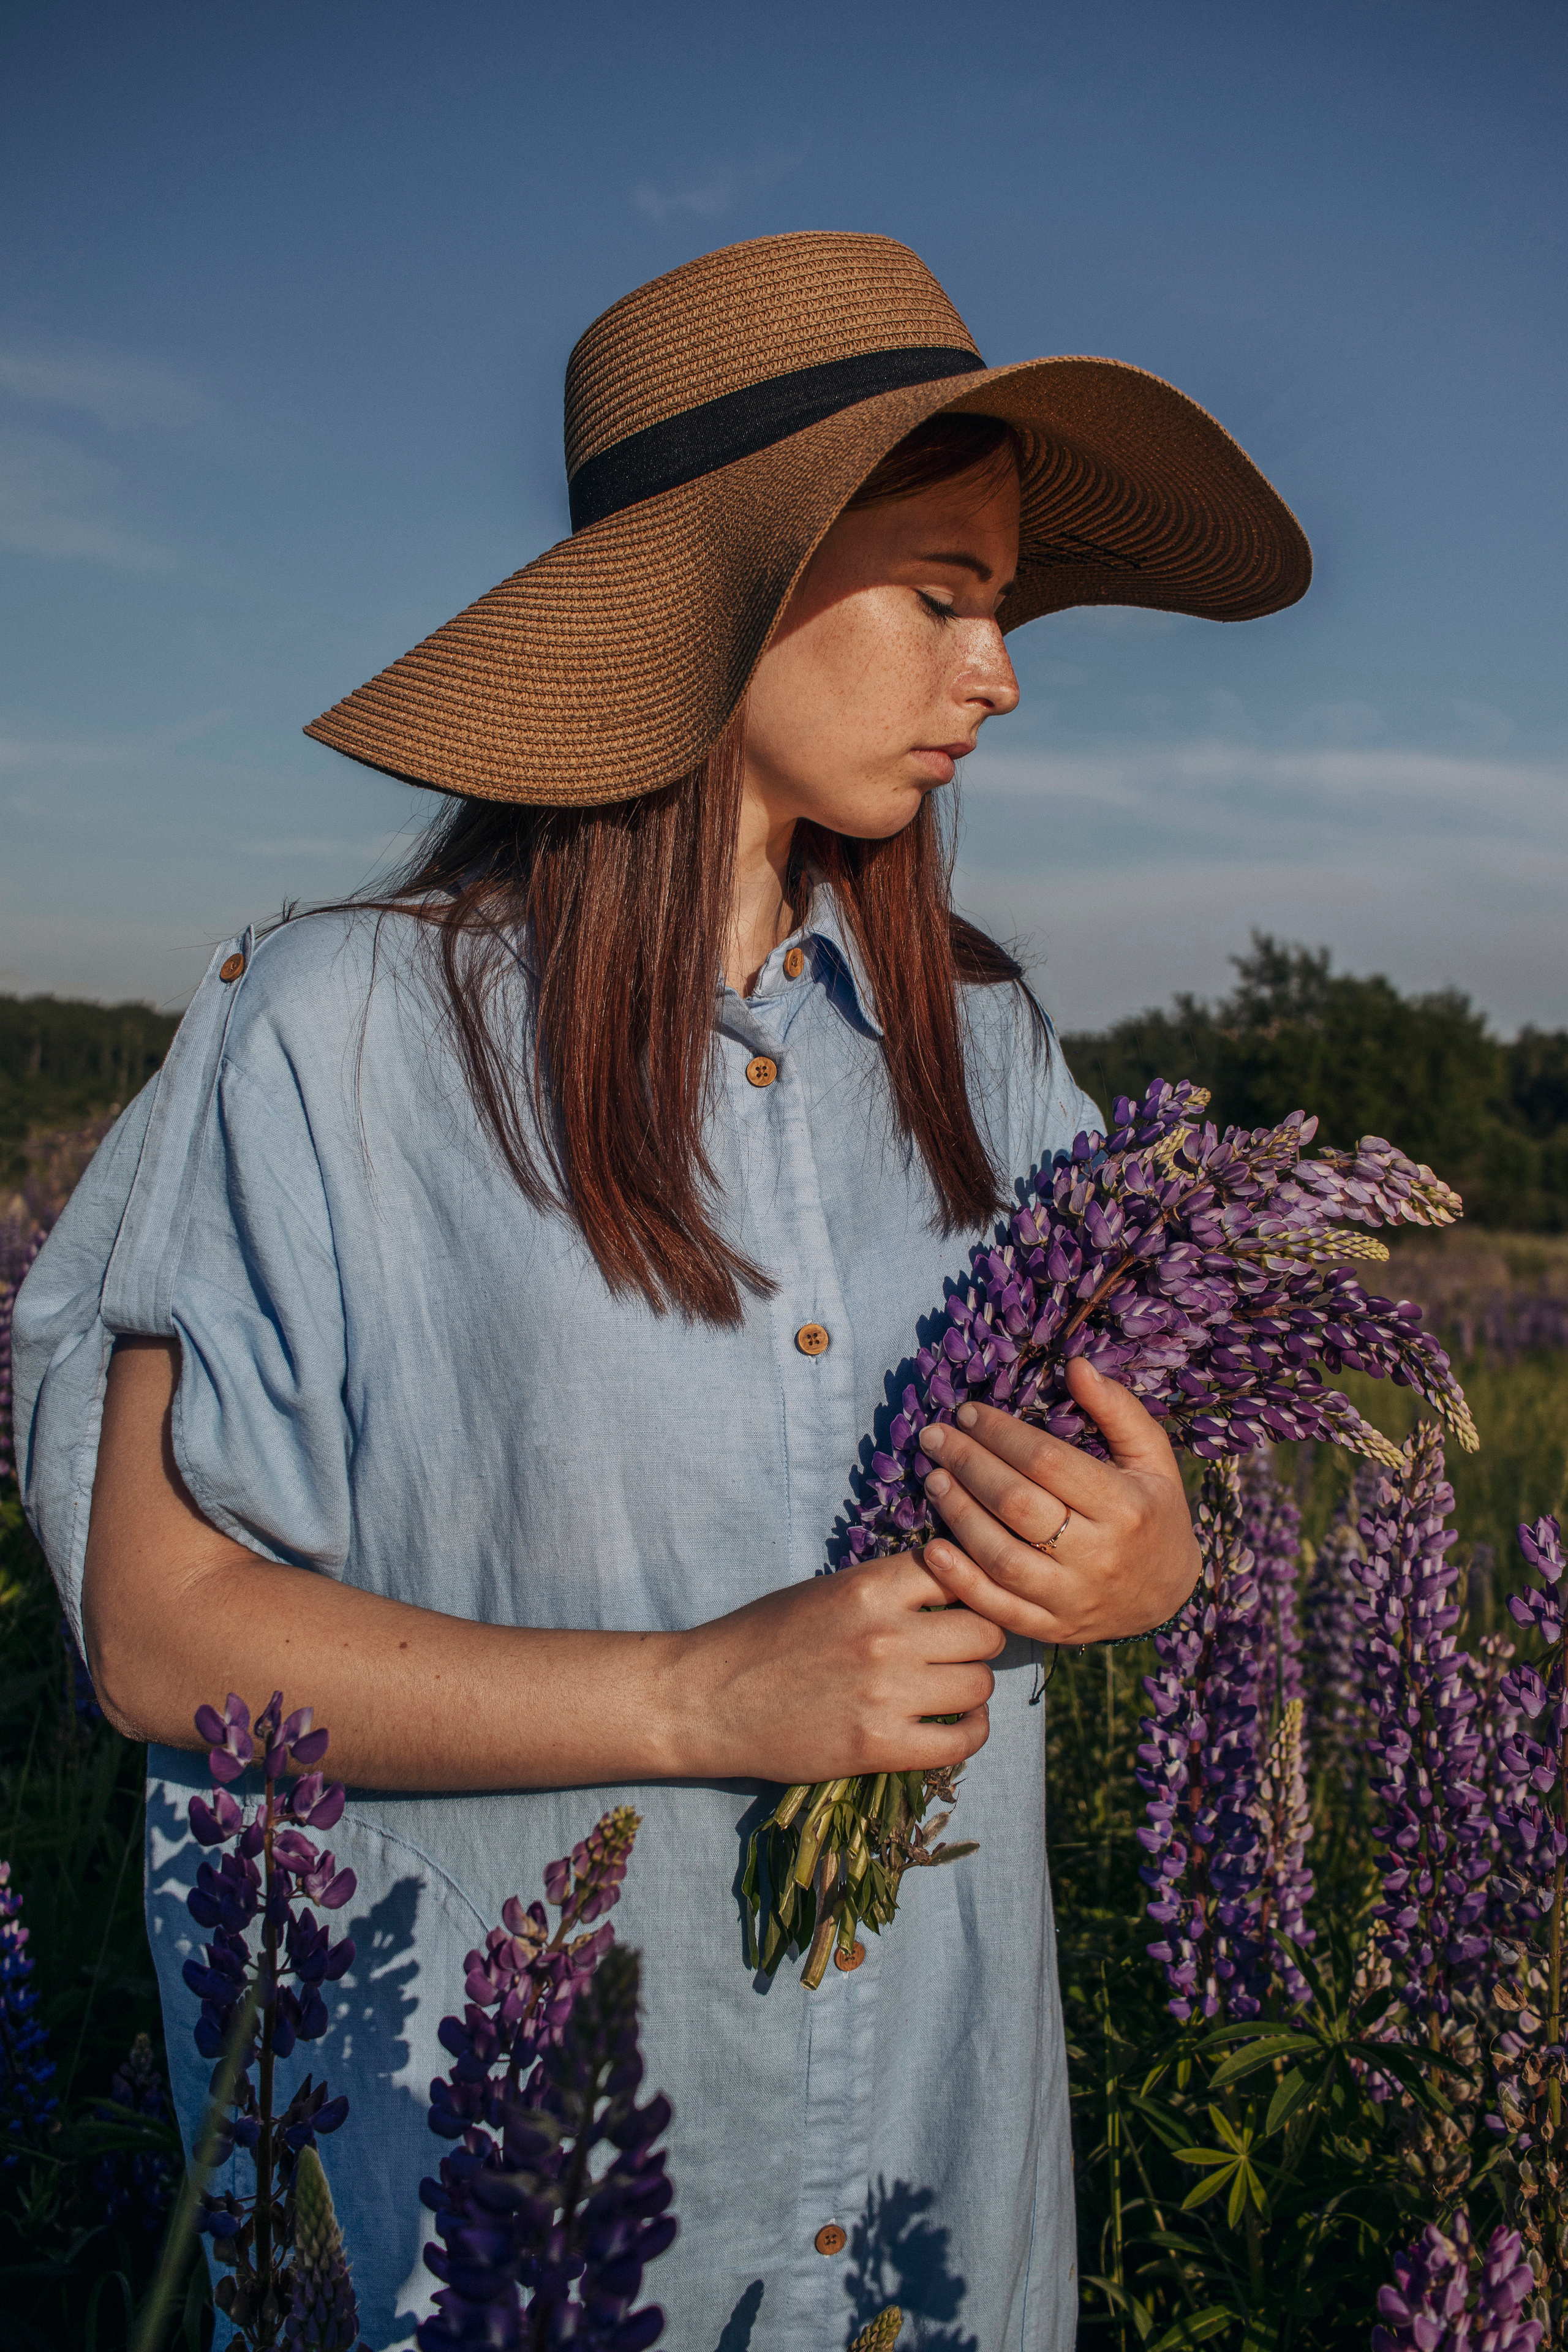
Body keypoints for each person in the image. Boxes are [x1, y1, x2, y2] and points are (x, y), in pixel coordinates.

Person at [13, 232, 1309, 2350]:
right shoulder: (336, 1028)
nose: (1003, 674)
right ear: (726, 602)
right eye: (949, 597)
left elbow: (1110, 1495)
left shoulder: (987, 1056)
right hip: (511, 2209)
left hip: (931, 2194)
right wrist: (697, 1700)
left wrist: (1144, 1564)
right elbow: (164, 1636)